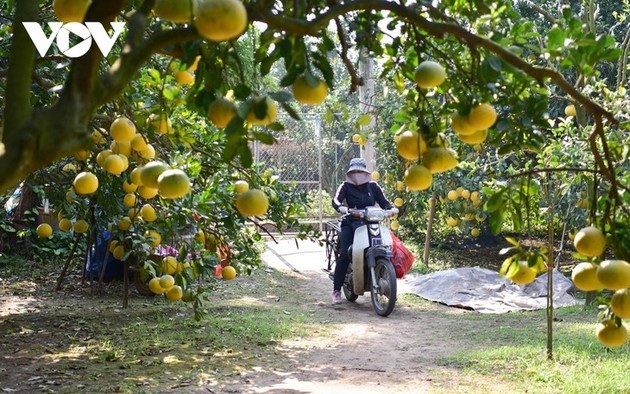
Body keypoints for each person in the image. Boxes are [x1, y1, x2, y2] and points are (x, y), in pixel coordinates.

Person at [330, 158, 396, 304]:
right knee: (346, 253)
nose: (357, 174)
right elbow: (335, 200)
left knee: (383, 248)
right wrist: (341, 208)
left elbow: (385, 203)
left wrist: (391, 209)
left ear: (365, 172)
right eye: (354, 171)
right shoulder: (345, 186)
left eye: (360, 171)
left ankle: (387, 282)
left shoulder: (373, 186)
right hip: (350, 223)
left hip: (370, 223)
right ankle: (336, 290)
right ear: (350, 173)